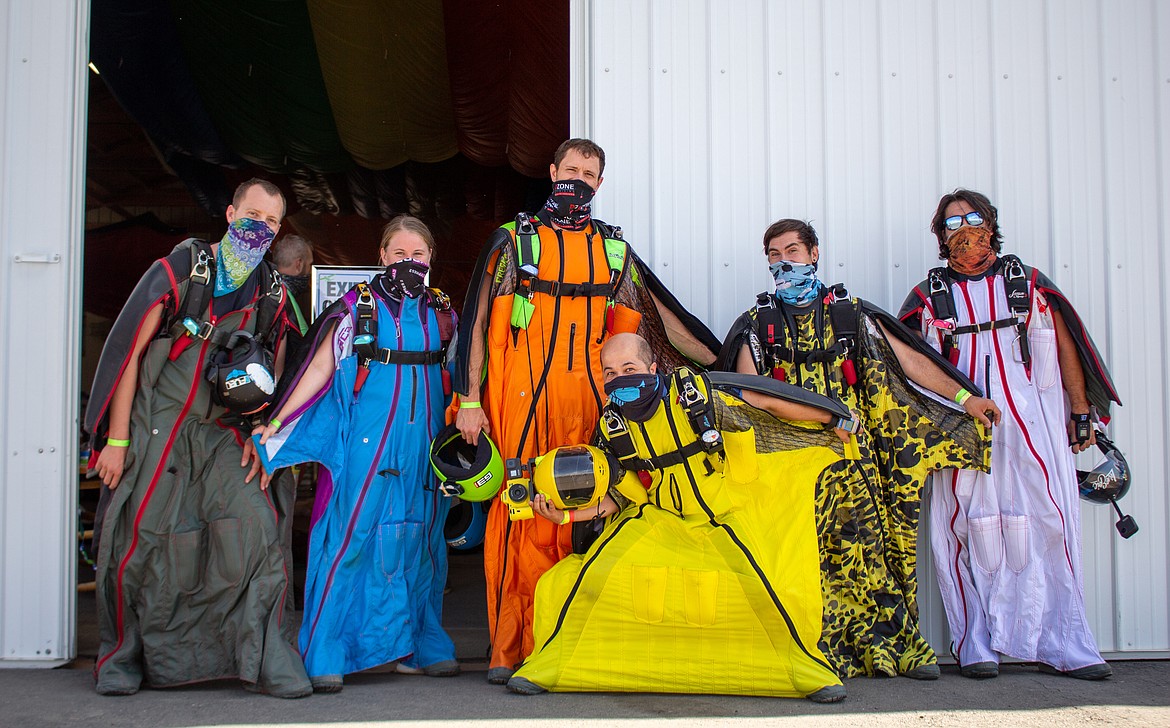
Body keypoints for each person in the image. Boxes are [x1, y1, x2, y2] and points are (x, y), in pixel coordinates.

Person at [451, 139, 722, 683]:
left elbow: (662, 322)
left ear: (600, 184)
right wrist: (470, 399)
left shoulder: (615, 253)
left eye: (590, 174)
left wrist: (724, 367)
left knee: (587, 510)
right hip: (518, 402)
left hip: (591, 406)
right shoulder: (513, 242)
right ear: (552, 172)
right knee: (519, 513)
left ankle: (573, 643)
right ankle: (510, 649)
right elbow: (476, 322)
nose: (578, 179)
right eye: (570, 169)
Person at [717, 218, 999, 680]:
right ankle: (810, 651)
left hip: (853, 462)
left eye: (792, 252)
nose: (784, 263)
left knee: (867, 554)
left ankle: (893, 646)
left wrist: (966, 399)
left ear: (814, 254)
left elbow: (910, 363)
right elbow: (747, 392)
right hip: (791, 468)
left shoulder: (851, 315)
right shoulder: (756, 324)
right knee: (802, 560)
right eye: (773, 255)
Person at [505, 333, 850, 702]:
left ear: (653, 369)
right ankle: (549, 665)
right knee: (585, 577)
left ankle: (807, 672)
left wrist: (835, 420)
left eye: (629, 369)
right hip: (661, 520)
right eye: (610, 372)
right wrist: (563, 518)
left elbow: (766, 402)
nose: (619, 379)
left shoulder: (697, 399)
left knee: (767, 590)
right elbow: (618, 497)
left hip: (724, 517)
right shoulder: (613, 426)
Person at [84, 178, 310, 697]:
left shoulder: (273, 291)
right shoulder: (181, 270)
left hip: (223, 435)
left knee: (258, 530)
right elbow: (129, 357)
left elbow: (274, 373)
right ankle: (121, 656)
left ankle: (269, 654)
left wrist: (264, 437)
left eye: (272, 221)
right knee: (138, 536)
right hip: (157, 426)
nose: (261, 227)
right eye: (253, 214)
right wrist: (117, 440)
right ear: (230, 213)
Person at [899, 189, 1121, 680]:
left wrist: (1081, 410)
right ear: (940, 236)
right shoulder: (926, 298)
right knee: (964, 527)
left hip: (1034, 424)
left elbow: (1065, 346)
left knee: (1051, 520)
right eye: (952, 222)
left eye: (973, 217)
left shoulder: (1030, 285)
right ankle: (974, 644)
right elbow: (908, 366)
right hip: (962, 428)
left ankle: (1068, 643)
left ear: (992, 224)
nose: (964, 229)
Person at [254, 215, 459, 692]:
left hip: (424, 443)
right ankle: (328, 649)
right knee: (350, 537)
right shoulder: (355, 308)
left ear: (430, 261)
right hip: (368, 443)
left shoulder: (443, 312)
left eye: (419, 256)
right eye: (400, 254)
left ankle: (420, 645)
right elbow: (320, 366)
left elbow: (465, 370)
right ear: (383, 256)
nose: (410, 262)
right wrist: (279, 420)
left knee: (424, 541)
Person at [271, 234, 314, 336]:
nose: (311, 271)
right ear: (299, 264)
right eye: (309, 265)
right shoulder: (285, 297)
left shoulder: (270, 290)